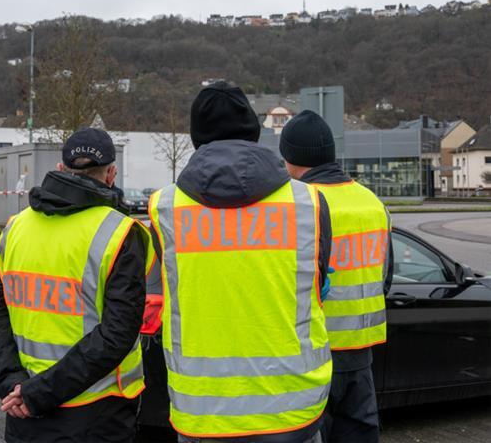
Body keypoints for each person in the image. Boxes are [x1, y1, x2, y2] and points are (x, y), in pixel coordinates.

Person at [148, 81, 333, 443]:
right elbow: (319, 284)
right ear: (254, 130)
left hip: (202, 411)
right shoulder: (308, 203)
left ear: (196, 137)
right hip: (293, 407)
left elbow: (156, 300)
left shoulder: (164, 208)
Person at [0, 127, 154, 443]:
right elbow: (117, 334)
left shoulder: (15, 227)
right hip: (97, 411)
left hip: (22, 407)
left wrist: (15, 387)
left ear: (60, 169)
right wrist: (36, 394)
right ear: (112, 174)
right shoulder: (123, 234)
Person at [280, 111, 393, 443]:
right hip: (360, 352)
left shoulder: (298, 206)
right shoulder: (373, 203)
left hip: (310, 350)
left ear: (290, 157)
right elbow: (385, 278)